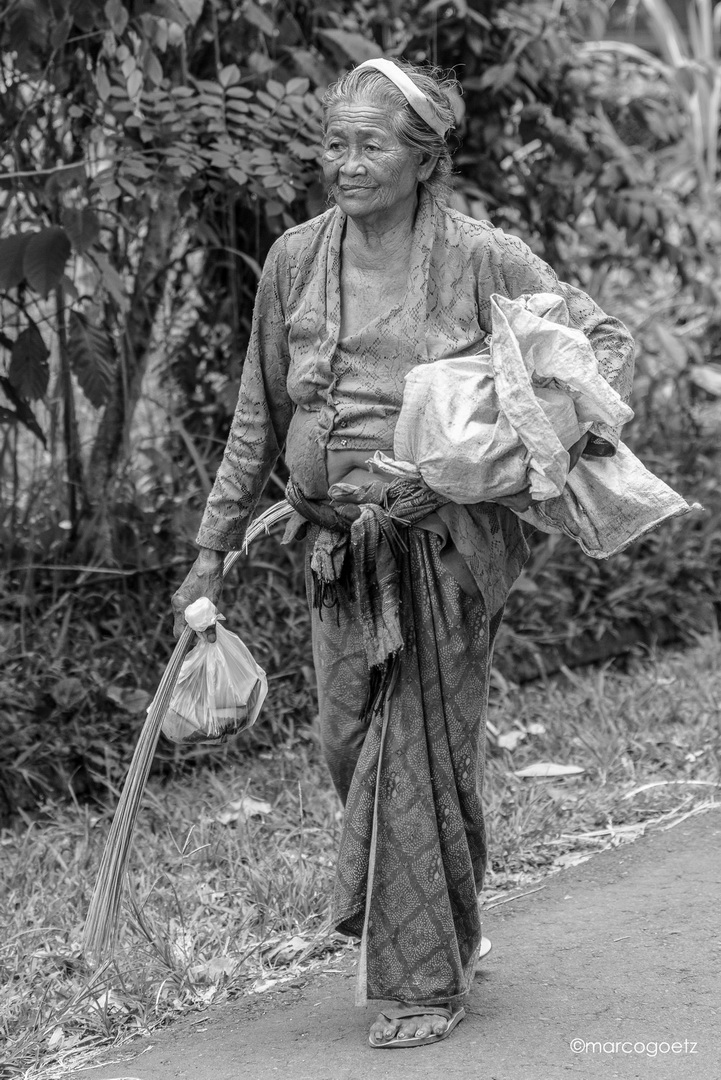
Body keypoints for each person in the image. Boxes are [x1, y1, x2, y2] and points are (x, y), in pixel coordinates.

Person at [171, 58, 635, 1048]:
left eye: (369, 143)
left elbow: (594, 349)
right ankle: (450, 902)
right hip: (333, 544)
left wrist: (508, 449)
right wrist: (212, 545)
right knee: (349, 744)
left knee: (410, 757)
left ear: (424, 158)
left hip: (442, 544)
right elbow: (258, 409)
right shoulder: (296, 258)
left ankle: (425, 982)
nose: (345, 161)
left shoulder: (480, 256)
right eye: (334, 141)